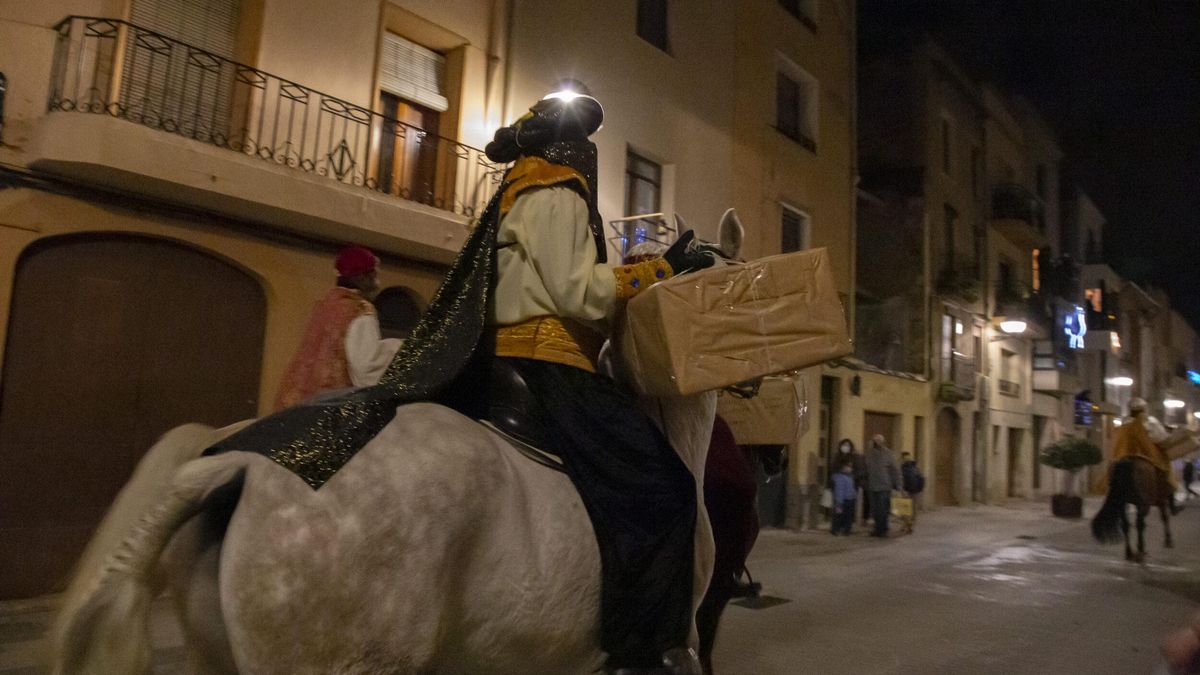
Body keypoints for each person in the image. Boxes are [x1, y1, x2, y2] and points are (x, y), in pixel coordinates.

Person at [273, 246, 403, 410]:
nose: (377, 279)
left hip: (300, 403)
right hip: (332, 407)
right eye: (374, 273)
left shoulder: (325, 305)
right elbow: (365, 369)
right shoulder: (359, 308)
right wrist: (397, 348)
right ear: (361, 277)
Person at [1111, 397, 1182, 513]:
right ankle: (1171, 502)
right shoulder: (1151, 422)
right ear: (1144, 409)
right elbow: (1161, 438)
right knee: (1166, 468)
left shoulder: (1125, 422)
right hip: (1149, 454)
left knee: (1114, 467)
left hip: (1126, 453)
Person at [865, 434, 901, 538]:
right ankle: (877, 529)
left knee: (883, 509)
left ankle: (883, 529)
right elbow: (866, 468)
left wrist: (898, 485)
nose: (877, 443)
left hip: (884, 486)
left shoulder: (888, 454)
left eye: (879, 441)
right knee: (875, 510)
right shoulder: (869, 453)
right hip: (872, 485)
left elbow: (895, 470)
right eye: (875, 441)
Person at [830, 462, 856, 536]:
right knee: (839, 515)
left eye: (851, 467)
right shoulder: (840, 478)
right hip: (842, 501)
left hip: (850, 500)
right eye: (848, 467)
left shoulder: (850, 477)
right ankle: (836, 529)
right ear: (843, 468)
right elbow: (839, 490)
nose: (850, 469)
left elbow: (851, 488)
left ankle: (846, 530)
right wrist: (839, 502)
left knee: (848, 517)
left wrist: (854, 496)